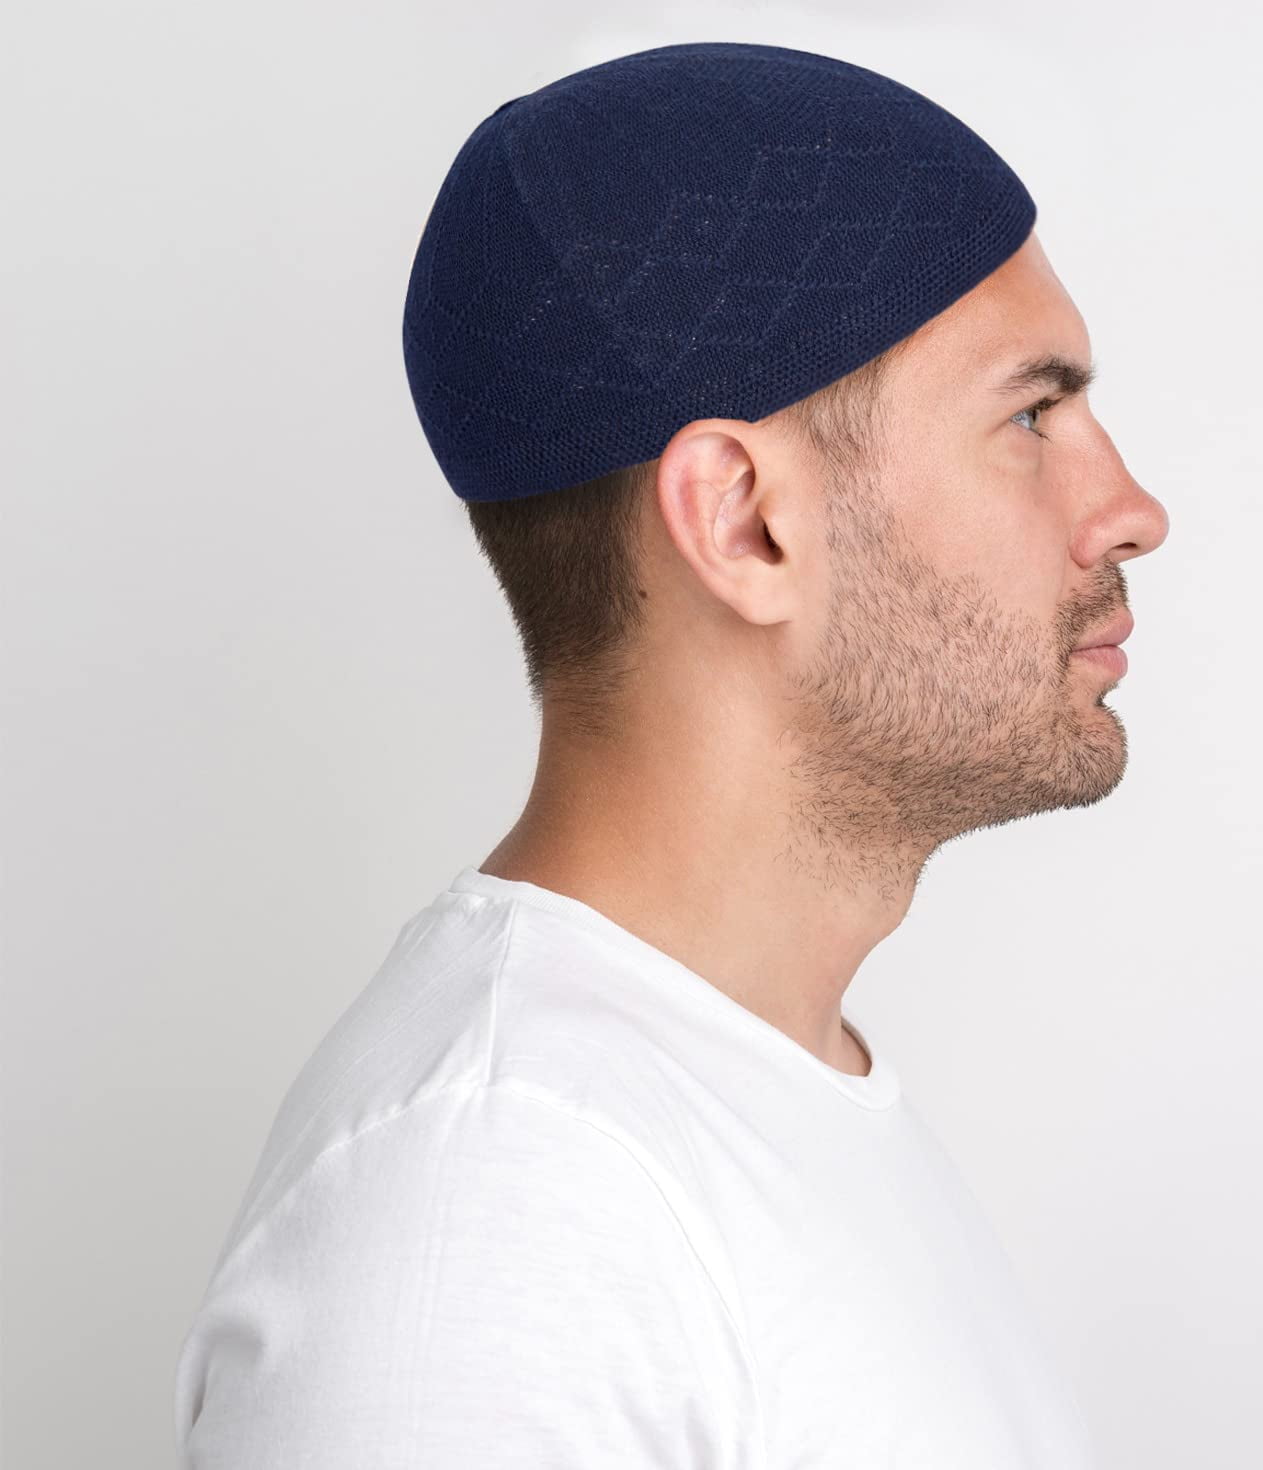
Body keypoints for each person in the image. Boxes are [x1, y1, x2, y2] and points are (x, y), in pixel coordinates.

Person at [173, 39, 1169, 1468]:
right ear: (744, 521)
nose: (1130, 509)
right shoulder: (498, 1211)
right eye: (1031, 413)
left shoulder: (730, 1103)